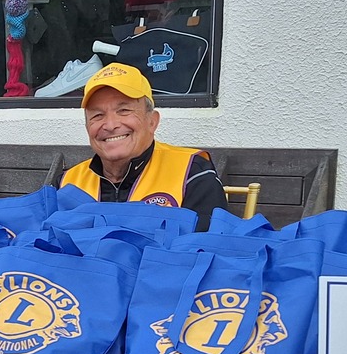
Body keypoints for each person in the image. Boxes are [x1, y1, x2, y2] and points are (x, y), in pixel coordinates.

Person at [58, 62, 226, 229]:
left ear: (152, 121)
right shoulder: (67, 182)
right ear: (87, 127)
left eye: (124, 111)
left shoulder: (191, 171)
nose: (110, 125)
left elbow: (207, 247)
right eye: (97, 115)